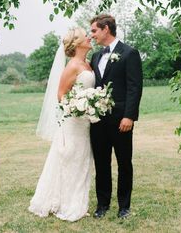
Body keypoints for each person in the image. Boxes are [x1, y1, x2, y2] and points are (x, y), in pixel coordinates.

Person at [28, 27, 95, 222]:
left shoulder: (88, 64)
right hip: (74, 122)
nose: (90, 38)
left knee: (82, 161)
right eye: (86, 36)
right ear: (77, 43)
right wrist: (79, 108)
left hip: (86, 123)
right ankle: (67, 204)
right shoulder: (72, 66)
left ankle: (78, 202)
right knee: (69, 160)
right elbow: (61, 95)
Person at [89, 14, 143, 219]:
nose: (92, 35)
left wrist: (129, 116)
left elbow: (134, 88)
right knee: (101, 164)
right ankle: (102, 205)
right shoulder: (96, 56)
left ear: (106, 29)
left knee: (124, 163)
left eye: (94, 30)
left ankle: (124, 206)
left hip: (121, 120)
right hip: (97, 120)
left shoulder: (129, 53)